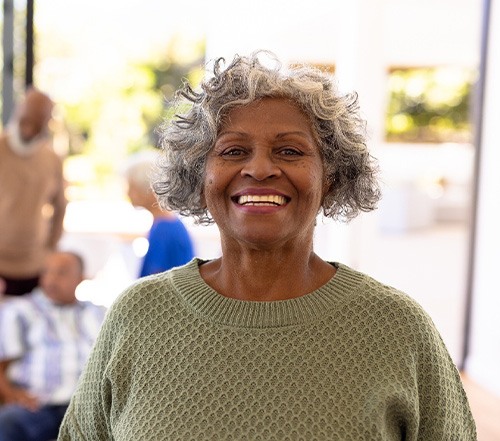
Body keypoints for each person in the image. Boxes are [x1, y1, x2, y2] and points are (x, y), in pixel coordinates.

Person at [58, 52, 476, 440]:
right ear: (200, 177)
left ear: (329, 177)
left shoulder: (397, 330)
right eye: (234, 150)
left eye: (289, 150)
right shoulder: (138, 316)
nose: (259, 168)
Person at [0, 250, 106, 441]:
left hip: (87, 406)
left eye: (61, 272)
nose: (51, 279)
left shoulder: (98, 314)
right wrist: (12, 394)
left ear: (81, 278)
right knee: (9, 421)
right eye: (46, 272)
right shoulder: (20, 311)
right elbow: (1, 365)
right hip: (38, 406)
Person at [0, 87, 67, 296]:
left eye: (38, 122)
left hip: (34, 265)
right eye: (26, 119)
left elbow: (61, 207)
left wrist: (50, 249)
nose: (29, 128)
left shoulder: (52, 160)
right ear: (18, 112)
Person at [124, 151, 194, 277]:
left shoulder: (164, 230)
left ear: (147, 188)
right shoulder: (166, 224)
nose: (128, 194)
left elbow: (153, 283)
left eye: (131, 187)